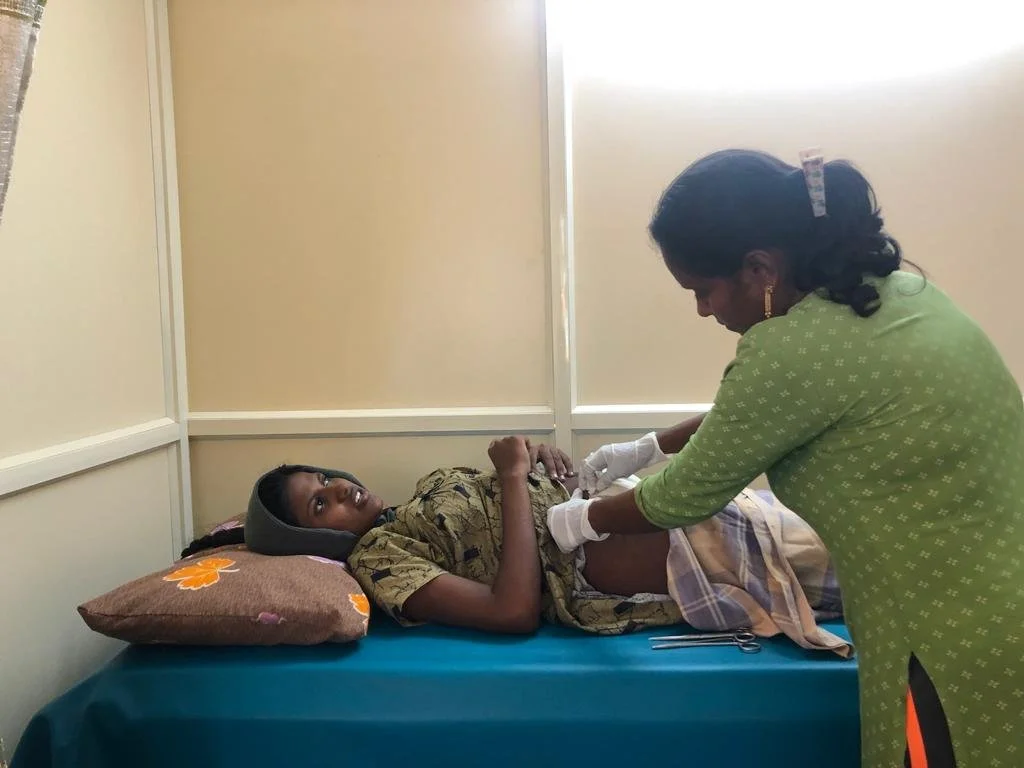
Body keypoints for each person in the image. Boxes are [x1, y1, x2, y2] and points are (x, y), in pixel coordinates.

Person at [546, 148, 1023, 766]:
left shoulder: (788, 351)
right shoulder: (898, 293)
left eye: (702, 290)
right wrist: (649, 446)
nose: (702, 310)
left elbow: (682, 496)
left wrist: (581, 521)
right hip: (996, 594)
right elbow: (771, 414)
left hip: (950, 627)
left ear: (760, 268)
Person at [182, 438, 683, 635]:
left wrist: (537, 457)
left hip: (623, 499)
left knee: (724, 465)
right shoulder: (382, 560)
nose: (338, 487)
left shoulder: (409, 509)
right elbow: (512, 612)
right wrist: (511, 477)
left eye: (323, 479)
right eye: (320, 504)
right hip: (613, 549)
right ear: (314, 544)